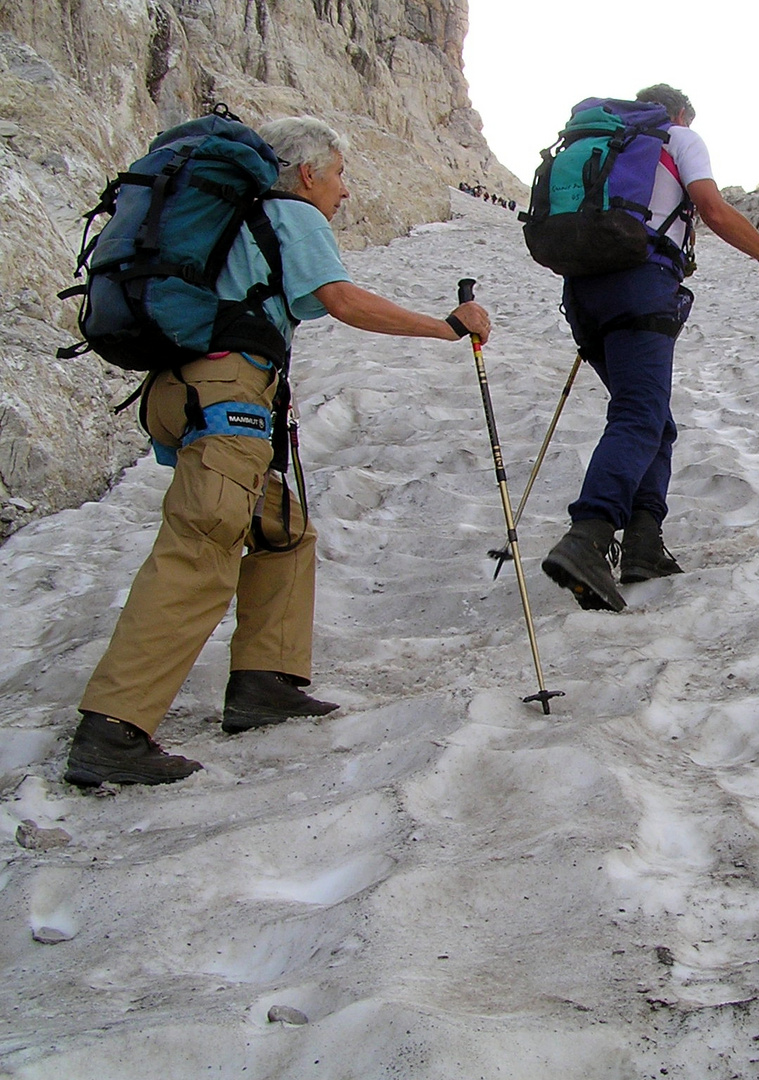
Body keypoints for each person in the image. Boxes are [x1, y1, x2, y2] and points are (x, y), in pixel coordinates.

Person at [63, 116, 492, 787]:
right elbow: (343, 302)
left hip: (181, 393)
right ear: (307, 172)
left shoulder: (235, 222)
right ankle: (113, 728)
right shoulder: (288, 213)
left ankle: (264, 683)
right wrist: (445, 327)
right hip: (227, 393)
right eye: (339, 173)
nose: (344, 191)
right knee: (202, 546)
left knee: (283, 532)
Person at [540, 84, 759, 613]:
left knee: (652, 419)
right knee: (640, 414)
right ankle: (589, 536)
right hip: (640, 285)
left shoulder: (602, 142)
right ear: (681, 112)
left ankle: (644, 545)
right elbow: (712, 209)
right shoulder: (680, 135)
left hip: (582, 292)